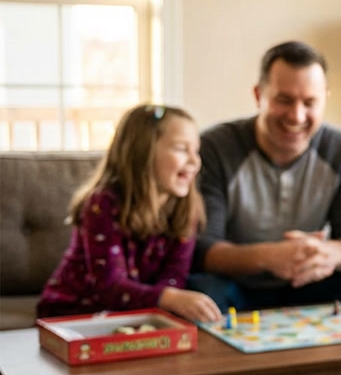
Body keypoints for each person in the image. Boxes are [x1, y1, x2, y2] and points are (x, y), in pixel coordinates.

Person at [189, 41, 341, 311]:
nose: (297, 115)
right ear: (259, 95)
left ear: (325, 99)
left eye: (309, 103)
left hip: (312, 282)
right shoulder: (215, 147)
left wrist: (331, 254)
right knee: (203, 289)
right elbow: (203, 250)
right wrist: (270, 256)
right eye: (284, 100)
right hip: (237, 286)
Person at [37, 104, 221, 323]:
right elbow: (109, 287)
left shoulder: (187, 209)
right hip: (73, 313)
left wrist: (167, 303)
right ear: (143, 152)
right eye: (182, 149)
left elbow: (173, 278)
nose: (195, 161)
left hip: (136, 315)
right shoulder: (102, 203)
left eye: (196, 150)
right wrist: (168, 298)